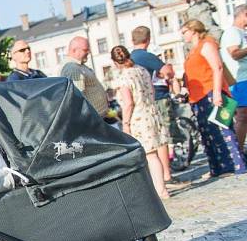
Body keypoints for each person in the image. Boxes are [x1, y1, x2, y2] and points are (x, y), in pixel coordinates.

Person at [181, 19, 247, 178]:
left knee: (222, 130)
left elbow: (217, 67)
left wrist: (217, 92)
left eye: (185, 32)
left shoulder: (207, 45)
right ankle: (218, 168)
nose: (183, 35)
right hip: (198, 97)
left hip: (211, 92)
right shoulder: (193, 50)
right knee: (208, 134)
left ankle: (234, 165)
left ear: (194, 31)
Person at [110, 45, 170, 199]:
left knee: (150, 155)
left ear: (115, 63)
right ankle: (160, 186)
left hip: (139, 117)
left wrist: (126, 123)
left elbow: (129, 103)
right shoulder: (142, 70)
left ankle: (161, 190)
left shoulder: (124, 77)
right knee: (154, 152)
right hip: (152, 111)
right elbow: (152, 90)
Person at [130, 26, 184, 188]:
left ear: (133, 40)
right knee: (161, 138)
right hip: (156, 99)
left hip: (137, 104)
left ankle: (156, 177)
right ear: (148, 39)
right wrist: (168, 75)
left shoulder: (131, 57)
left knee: (148, 142)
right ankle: (166, 175)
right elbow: (167, 71)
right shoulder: (146, 56)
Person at [220, 4, 247, 159]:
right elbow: (235, 54)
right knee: (243, 115)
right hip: (242, 80)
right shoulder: (232, 32)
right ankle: (238, 153)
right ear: (244, 14)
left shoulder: (242, 32)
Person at [59, 36, 110, 117]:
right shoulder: (72, 68)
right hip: (91, 119)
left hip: (97, 117)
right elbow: (77, 97)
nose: (88, 52)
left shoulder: (79, 66)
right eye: (85, 50)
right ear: (74, 50)